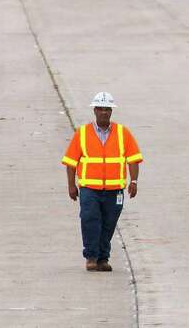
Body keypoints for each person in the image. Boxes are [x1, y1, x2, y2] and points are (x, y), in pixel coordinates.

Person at [61, 92, 143, 272]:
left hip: (115, 190)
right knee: (90, 220)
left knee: (109, 223)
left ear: (111, 112)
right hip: (90, 189)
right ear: (95, 110)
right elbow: (71, 162)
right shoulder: (82, 133)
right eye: (101, 109)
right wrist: (71, 185)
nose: (104, 112)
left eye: (108, 109)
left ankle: (103, 258)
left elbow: (133, 159)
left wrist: (134, 181)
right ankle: (91, 257)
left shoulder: (123, 133)